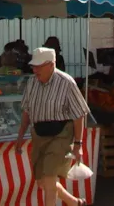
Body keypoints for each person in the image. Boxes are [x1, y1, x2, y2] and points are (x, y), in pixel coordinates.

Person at [15, 48, 90, 206]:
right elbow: (26, 111)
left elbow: (79, 114)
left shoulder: (67, 82)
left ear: (51, 65)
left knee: (49, 178)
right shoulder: (31, 82)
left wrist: (78, 144)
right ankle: (74, 202)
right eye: (33, 66)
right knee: (42, 181)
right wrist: (20, 136)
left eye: (39, 66)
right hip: (39, 135)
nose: (35, 70)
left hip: (60, 134)